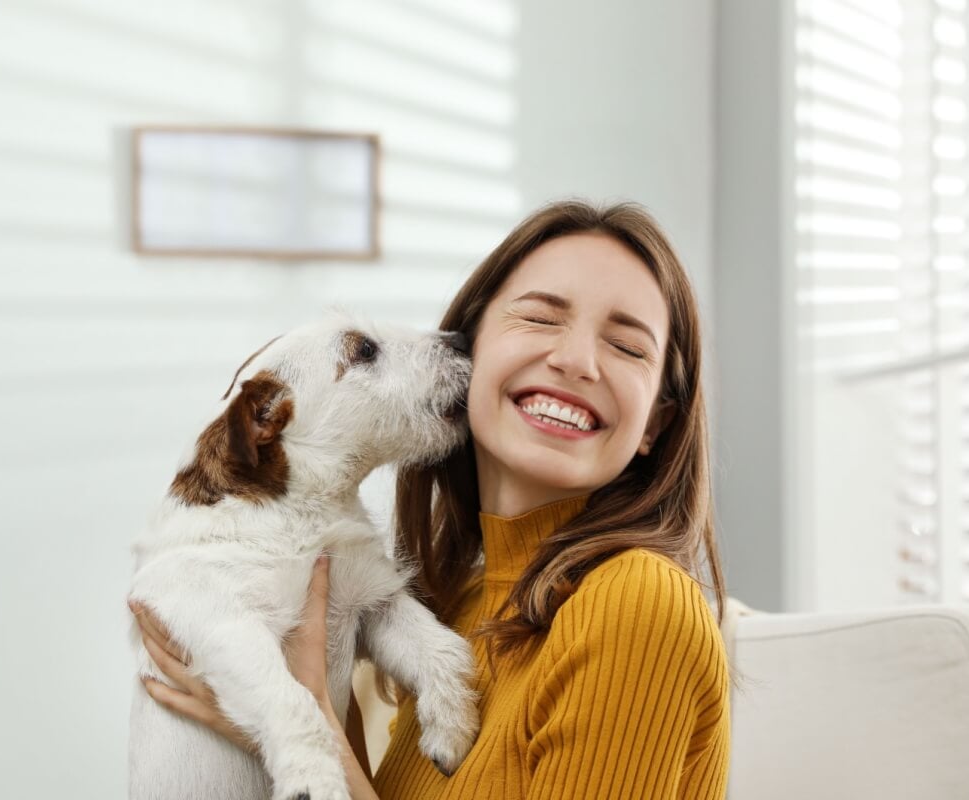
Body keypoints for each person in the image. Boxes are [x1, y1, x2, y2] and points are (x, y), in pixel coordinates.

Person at [131, 199, 731, 799]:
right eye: (542, 319)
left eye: (628, 346)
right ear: (471, 345)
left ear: (655, 422)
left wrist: (307, 716)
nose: (575, 360)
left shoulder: (638, 604)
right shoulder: (463, 603)